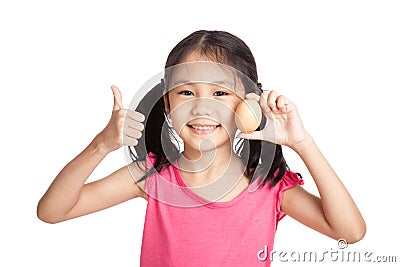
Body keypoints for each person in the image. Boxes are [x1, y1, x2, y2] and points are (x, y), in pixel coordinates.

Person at [37, 30, 366, 266]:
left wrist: (302, 143)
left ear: (248, 105)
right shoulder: (151, 176)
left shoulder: (271, 187)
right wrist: (100, 145)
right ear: (167, 104)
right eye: (186, 93)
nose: (202, 109)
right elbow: (52, 211)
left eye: (221, 93)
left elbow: (349, 231)